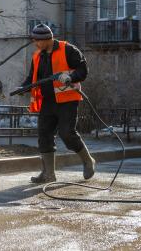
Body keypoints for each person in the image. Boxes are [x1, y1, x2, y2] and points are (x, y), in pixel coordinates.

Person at [20, 23, 96, 183]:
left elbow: (83, 70)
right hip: (48, 101)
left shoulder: (68, 50)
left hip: (67, 100)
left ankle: (88, 160)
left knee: (67, 133)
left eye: (37, 40)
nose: (35, 43)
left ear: (47, 39)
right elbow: (32, 78)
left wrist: (71, 77)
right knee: (44, 135)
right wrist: (22, 87)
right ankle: (48, 174)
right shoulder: (37, 56)